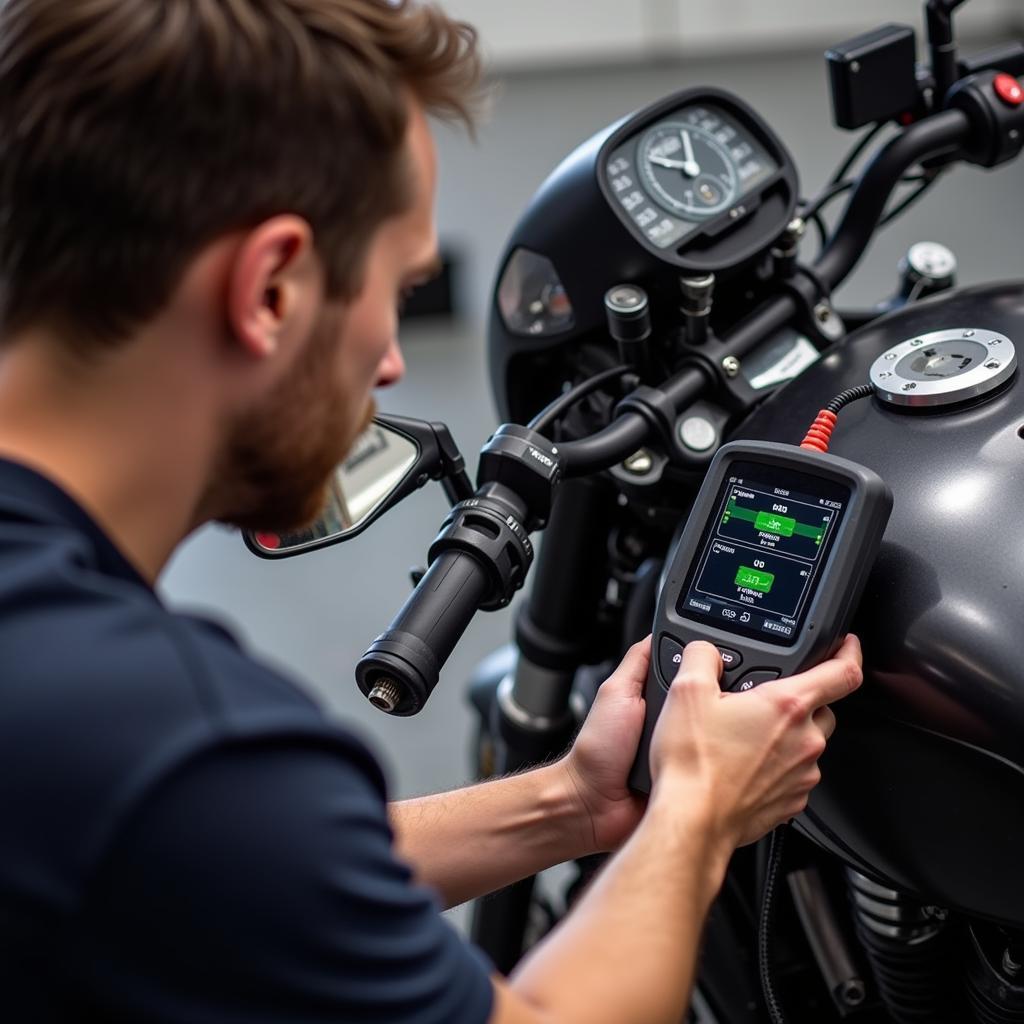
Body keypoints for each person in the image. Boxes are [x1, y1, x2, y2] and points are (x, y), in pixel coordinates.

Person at [0, 1, 863, 1021]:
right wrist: (698, 811)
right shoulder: (175, 740)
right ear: (271, 288)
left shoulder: (100, 728)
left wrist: (571, 804)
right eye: (397, 293)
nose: (393, 363)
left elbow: (245, 866)